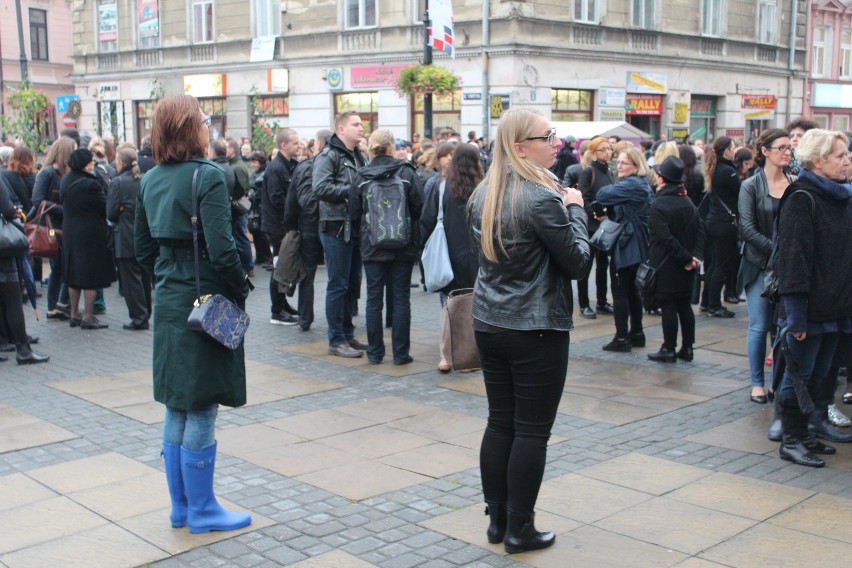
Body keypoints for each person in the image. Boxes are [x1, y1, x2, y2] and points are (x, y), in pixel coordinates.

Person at [468, 108, 591, 554]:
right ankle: (520, 528)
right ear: (521, 147)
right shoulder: (542, 199)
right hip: (535, 328)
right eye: (547, 136)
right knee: (531, 431)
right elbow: (578, 264)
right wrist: (576, 210)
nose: (555, 142)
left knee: (501, 423)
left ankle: (498, 521)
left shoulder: (484, 193)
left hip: (490, 323)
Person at [135, 94, 252, 532]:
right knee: (201, 405)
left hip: (168, 298)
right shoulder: (209, 177)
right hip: (205, 297)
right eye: (204, 119)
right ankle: (202, 510)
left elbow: (142, 249)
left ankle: (182, 508)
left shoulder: (150, 179)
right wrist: (241, 289)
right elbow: (224, 251)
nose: (209, 126)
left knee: (176, 404)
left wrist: (170, 276)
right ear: (191, 128)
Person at [775, 129, 852, 467]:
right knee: (799, 378)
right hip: (808, 309)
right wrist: (796, 317)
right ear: (818, 161)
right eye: (840, 155)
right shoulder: (801, 198)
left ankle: (806, 434)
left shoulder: (839, 197)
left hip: (835, 307)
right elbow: (794, 260)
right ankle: (791, 440)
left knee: (821, 377)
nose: (847, 160)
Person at [349, 129, 423, 364]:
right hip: (403, 245)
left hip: (372, 245)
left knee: (373, 299)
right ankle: (400, 355)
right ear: (391, 147)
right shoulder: (406, 172)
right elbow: (419, 207)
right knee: (401, 299)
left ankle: (375, 353)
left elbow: (353, 213)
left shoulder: (362, 175)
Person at [738, 129, 791, 404]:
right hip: (758, 264)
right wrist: (779, 250)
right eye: (782, 147)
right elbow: (746, 228)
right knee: (759, 325)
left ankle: (777, 384)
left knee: (782, 327)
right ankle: (757, 383)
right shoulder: (750, 185)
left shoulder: (794, 182)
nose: (787, 152)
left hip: (788, 267)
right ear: (765, 151)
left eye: (789, 148)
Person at [421, 143, 483, 372]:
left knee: (449, 305)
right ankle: (472, 354)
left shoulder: (442, 185)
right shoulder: (482, 187)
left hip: (449, 254)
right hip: (478, 255)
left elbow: (427, 219)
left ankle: (447, 356)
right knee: (475, 305)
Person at [313, 112, 369, 358]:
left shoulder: (359, 156)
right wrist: (354, 190)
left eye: (361, 124)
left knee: (352, 284)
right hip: (336, 228)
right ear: (341, 128)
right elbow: (320, 188)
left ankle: (347, 334)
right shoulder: (329, 155)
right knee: (338, 285)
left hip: (355, 228)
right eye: (356, 124)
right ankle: (336, 340)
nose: (361, 128)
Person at [646, 157, 704, 362]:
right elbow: (700, 231)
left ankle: (668, 348)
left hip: (667, 264)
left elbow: (665, 239)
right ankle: (687, 348)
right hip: (685, 266)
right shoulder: (687, 202)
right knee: (684, 306)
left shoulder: (659, 204)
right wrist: (694, 258)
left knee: (669, 306)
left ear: (662, 179)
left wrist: (686, 258)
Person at [596, 147, 654, 352]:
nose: (618, 166)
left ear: (636, 166)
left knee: (620, 291)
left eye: (623, 163)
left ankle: (622, 337)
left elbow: (602, 194)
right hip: (633, 244)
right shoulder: (637, 184)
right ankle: (636, 333)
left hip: (629, 245)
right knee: (630, 291)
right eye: (617, 162)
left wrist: (609, 201)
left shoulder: (633, 184)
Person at [59, 148, 116, 329]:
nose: (93, 164)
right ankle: (88, 316)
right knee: (90, 275)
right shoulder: (90, 184)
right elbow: (104, 206)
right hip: (90, 235)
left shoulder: (66, 180)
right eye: (91, 162)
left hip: (70, 232)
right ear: (85, 164)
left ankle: (74, 314)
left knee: (73, 275)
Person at [283, 130, 330, 332]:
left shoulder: (303, 167)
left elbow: (291, 201)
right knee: (337, 275)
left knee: (307, 274)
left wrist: (291, 226)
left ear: (317, 145)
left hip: (308, 226)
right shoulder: (338, 165)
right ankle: (343, 316)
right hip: (330, 226)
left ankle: (305, 317)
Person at [0, 176, 48, 364]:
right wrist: (15, 211)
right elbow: (6, 208)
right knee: (13, 300)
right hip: (2, 253)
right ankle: (23, 350)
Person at [31, 136, 77, 320]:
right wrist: (62, 209)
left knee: (62, 266)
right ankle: (54, 306)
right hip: (52, 226)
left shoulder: (65, 173)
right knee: (59, 266)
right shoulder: (48, 173)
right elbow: (37, 200)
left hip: (63, 225)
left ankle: (59, 305)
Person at [107, 148, 151, 330]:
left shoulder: (117, 182)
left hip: (125, 236)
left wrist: (121, 211)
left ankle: (139, 317)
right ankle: (146, 313)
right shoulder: (144, 180)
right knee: (144, 277)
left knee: (131, 280)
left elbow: (111, 213)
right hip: (145, 236)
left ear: (120, 163)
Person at [262, 128, 301, 325]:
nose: (299, 145)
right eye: (295, 142)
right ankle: (276, 310)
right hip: (277, 227)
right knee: (279, 267)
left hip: (283, 225)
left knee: (284, 266)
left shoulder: (289, 165)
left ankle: (282, 304)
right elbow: (277, 199)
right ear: (284, 145)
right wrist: (296, 206)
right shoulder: (276, 168)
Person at [577, 137, 616, 319]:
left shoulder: (609, 171)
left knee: (603, 265)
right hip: (591, 226)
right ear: (593, 153)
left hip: (605, 225)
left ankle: (601, 302)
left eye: (609, 149)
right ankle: (584, 304)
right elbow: (583, 196)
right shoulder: (589, 171)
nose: (607, 152)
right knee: (586, 265)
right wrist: (594, 212)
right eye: (602, 149)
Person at [703, 136, 741, 318]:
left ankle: (707, 302)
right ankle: (713, 305)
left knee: (714, 263)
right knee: (722, 264)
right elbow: (741, 193)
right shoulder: (727, 171)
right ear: (726, 151)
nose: (735, 150)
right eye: (733, 147)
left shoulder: (717, 168)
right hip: (724, 223)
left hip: (714, 221)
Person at [226, 138, 254, 276]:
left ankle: (248, 266)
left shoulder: (237, 167)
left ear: (232, 150)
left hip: (238, 208)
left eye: (227, 148)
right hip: (237, 208)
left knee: (241, 237)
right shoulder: (234, 165)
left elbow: (241, 190)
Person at [246, 151, 273, 267]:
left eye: (254, 162)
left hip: (261, 206)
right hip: (255, 206)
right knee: (256, 231)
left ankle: (266, 256)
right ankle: (260, 255)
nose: (252, 164)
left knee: (262, 233)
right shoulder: (256, 173)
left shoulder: (264, 173)